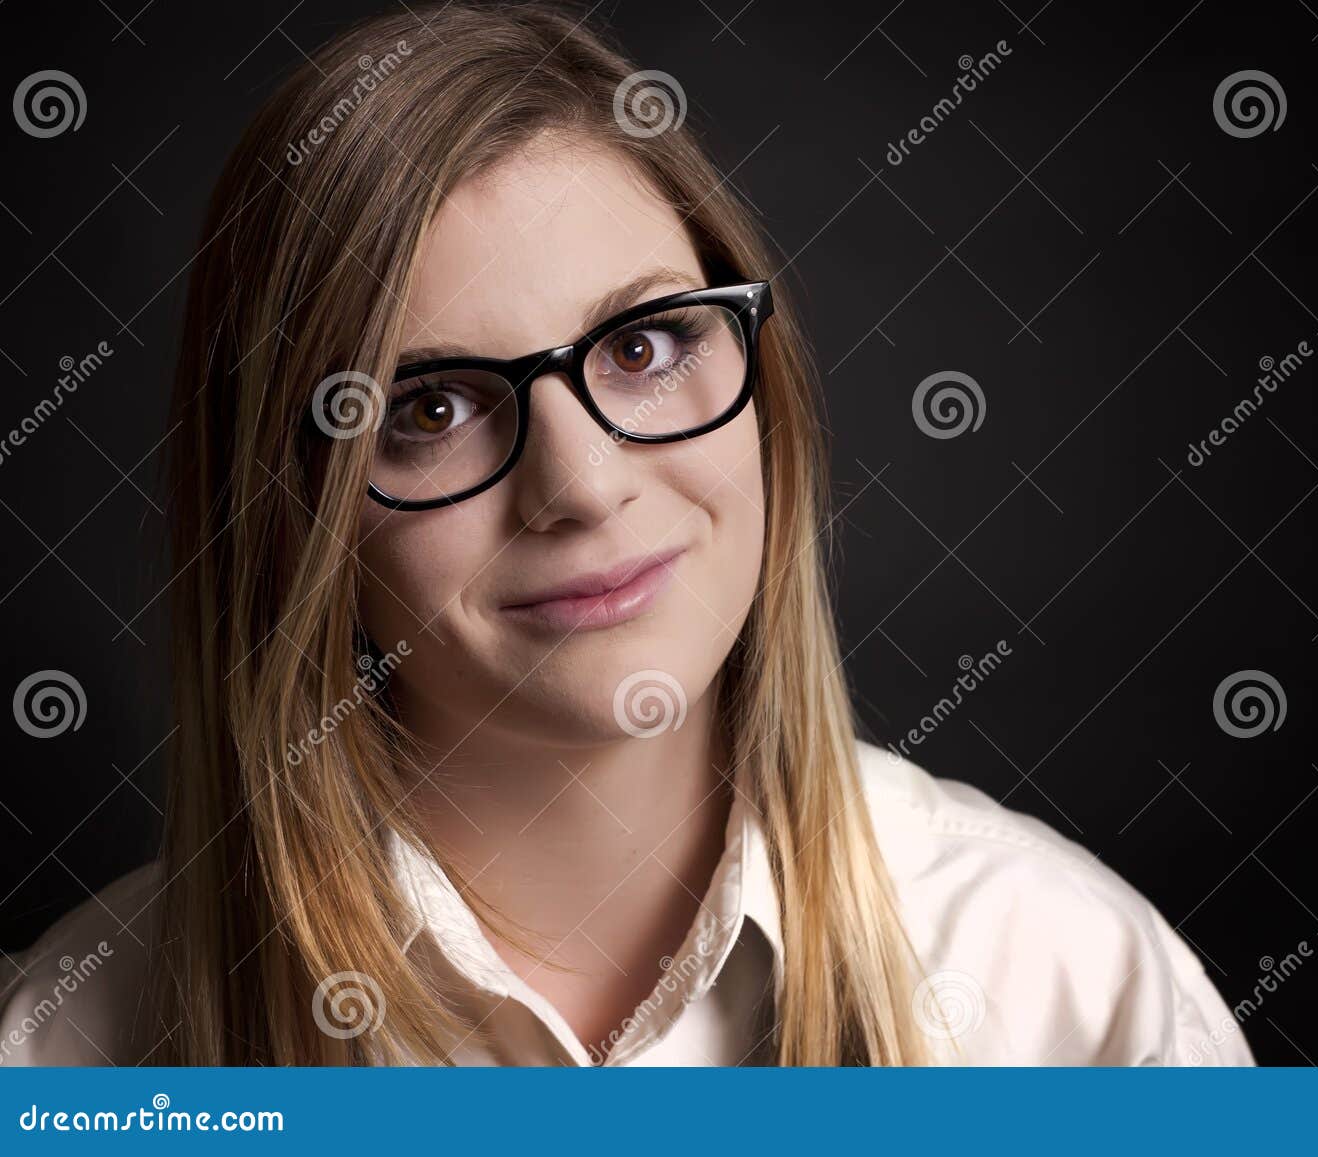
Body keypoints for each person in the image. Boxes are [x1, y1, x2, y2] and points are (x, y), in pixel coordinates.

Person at [0, 1, 1251, 1068]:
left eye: (645, 346)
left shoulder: (1072, 995)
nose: (583, 486)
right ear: (287, 520)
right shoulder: (73, 1046)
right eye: (429, 408)